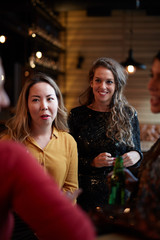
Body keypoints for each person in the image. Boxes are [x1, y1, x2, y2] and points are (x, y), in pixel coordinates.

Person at [0, 57, 96, 240]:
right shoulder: (8, 143)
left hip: (54, 222)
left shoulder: (68, 141)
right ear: (27, 105)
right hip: (17, 228)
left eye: (50, 99)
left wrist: (63, 210)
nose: (44, 106)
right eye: (36, 100)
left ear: (57, 103)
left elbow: (71, 188)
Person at [68, 57, 143, 211]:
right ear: (91, 82)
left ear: (116, 85)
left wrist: (135, 156)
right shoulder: (76, 115)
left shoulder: (129, 114)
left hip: (119, 194)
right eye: (98, 80)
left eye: (109, 81)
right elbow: (68, 160)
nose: (103, 86)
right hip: (85, 195)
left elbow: (137, 152)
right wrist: (92, 162)